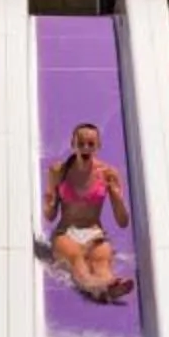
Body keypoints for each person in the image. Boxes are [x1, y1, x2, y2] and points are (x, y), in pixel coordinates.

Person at [43, 120, 134, 303]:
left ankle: (109, 283)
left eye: (91, 144)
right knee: (77, 258)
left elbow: (123, 222)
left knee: (101, 260)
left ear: (98, 146)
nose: (85, 147)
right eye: (81, 143)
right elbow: (50, 216)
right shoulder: (58, 171)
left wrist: (116, 197)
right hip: (66, 233)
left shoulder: (109, 173)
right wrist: (50, 204)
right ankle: (94, 286)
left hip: (95, 232)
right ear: (73, 144)